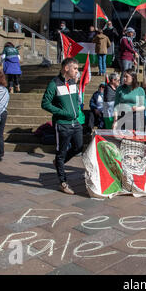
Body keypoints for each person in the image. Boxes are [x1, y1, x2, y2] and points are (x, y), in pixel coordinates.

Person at [41, 57, 83, 195]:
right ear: (66, 68)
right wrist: (62, 113)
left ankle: (59, 162)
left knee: (78, 147)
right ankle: (62, 182)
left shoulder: (73, 82)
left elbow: (75, 101)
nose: (77, 71)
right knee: (61, 152)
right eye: (75, 68)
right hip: (62, 124)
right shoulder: (54, 84)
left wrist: (75, 111)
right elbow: (45, 103)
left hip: (75, 122)